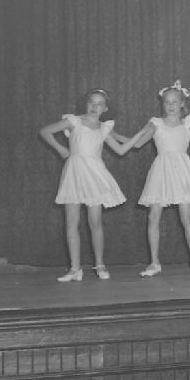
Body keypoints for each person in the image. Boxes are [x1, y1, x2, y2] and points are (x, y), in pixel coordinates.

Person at [39, 89, 146, 282]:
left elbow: (121, 149)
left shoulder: (105, 128)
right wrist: (61, 148)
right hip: (74, 174)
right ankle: (75, 269)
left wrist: (140, 134)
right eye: (91, 102)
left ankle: (100, 264)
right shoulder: (74, 121)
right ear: (86, 103)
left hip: (94, 175)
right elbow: (45, 131)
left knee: (95, 222)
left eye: (99, 104)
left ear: (105, 109)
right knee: (71, 223)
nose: (94, 106)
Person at [131, 81, 190, 276]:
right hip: (161, 172)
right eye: (167, 102)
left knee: (186, 217)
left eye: (175, 101)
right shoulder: (156, 123)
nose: (171, 105)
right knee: (153, 217)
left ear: (182, 103)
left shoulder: (187, 124)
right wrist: (143, 130)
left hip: (182, 172)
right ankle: (154, 262)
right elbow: (138, 144)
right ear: (162, 104)